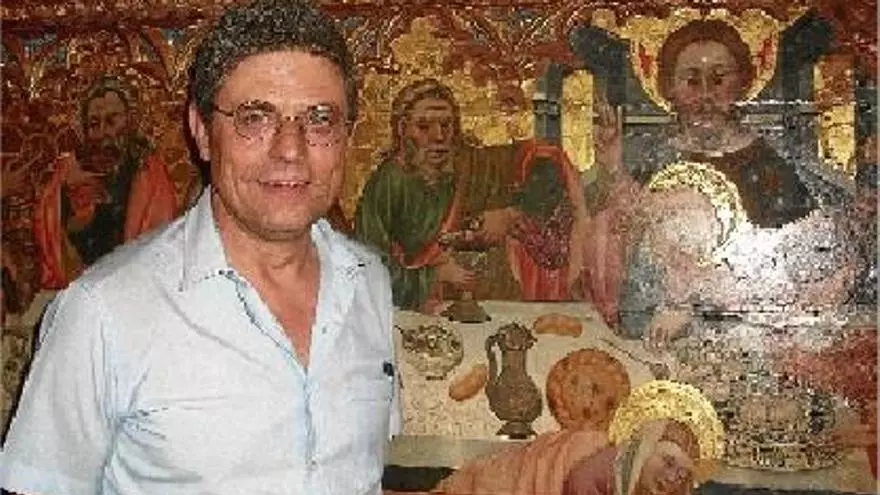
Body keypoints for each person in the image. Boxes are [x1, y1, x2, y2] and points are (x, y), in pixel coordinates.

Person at [0, 1, 401, 494]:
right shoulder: (103, 312)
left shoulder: (369, 283)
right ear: (202, 132)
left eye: (319, 119)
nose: (290, 150)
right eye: (255, 118)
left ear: (347, 137)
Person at [354, 79, 586, 313]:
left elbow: (547, 165)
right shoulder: (388, 183)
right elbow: (365, 267)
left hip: (487, 304)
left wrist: (510, 214)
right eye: (424, 127)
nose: (439, 136)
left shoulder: (473, 165)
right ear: (403, 129)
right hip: (418, 312)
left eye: (446, 125)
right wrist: (431, 277)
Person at [434, 380, 723, 495]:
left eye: (682, 473)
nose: (672, 477)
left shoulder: (648, 484)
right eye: (668, 462)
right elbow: (575, 482)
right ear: (645, 448)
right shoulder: (608, 462)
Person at [33, 75, 179, 289]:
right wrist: (64, 192)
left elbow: (158, 234)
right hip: (77, 285)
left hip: (133, 285)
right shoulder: (69, 169)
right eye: (94, 124)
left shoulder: (148, 172)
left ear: (130, 122)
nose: (103, 133)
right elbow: (48, 226)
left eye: (111, 121)